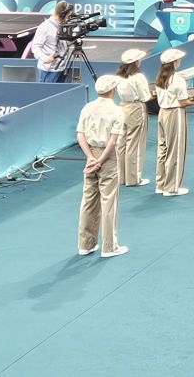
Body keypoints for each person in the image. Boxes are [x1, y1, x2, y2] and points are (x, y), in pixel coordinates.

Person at [76, 74, 127, 258]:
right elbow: (112, 142)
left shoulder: (87, 107)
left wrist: (90, 157)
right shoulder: (117, 111)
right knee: (109, 201)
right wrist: (101, 160)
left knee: (88, 200)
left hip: (90, 154)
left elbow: (80, 134)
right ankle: (109, 246)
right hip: (108, 157)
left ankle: (85, 244)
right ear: (112, 90)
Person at [153, 48, 191, 196]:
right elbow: (183, 102)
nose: (180, 61)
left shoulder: (159, 78)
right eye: (178, 59)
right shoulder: (178, 80)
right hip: (175, 113)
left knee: (163, 149)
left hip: (162, 113)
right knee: (175, 150)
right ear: (174, 62)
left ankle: (161, 184)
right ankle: (171, 187)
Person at [115, 48, 154, 188]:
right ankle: (134, 178)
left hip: (122, 107)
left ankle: (121, 177)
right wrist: (152, 94)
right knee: (135, 144)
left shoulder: (119, 77)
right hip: (136, 108)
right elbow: (145, 97)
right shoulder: (138, 77)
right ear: (136, 62)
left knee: (122, 144)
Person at [25, 0, 71, 82]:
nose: (69, 18)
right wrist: (44, 58)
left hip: (61, 67)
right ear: (62, 15)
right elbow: (35, 47)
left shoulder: (63, 25)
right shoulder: (45, 27)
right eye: (68, 16)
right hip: (48, 70)